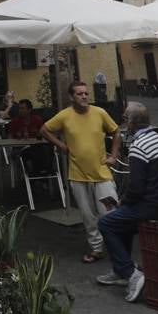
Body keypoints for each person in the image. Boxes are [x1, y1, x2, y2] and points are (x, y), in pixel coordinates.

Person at [95, 102, 158, 302]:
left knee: (106, 222)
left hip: (150, 206)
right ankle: (120, 270)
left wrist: (122, 203)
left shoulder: (138, 146)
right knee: (120, 224)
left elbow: (136, 187)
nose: (123, 122)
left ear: (131, 123)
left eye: (124, 119)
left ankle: (130, 273)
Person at [40, 80, 122, 263]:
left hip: (102, 174)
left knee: (110, 213)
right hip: (78, 175)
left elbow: (116, 132)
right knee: (87, 215)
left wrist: (113, 157)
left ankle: (119, 248)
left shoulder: (100, 113)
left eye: (86, 93)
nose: (84, 96)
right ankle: (96, 249)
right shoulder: (64, 116)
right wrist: (61, 145)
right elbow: (44, 130)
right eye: (80, 94)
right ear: (71, 97)